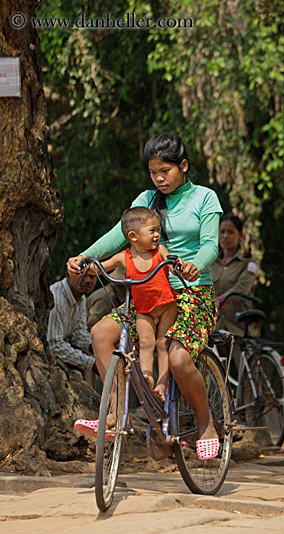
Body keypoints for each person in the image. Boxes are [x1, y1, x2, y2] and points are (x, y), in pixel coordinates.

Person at [67, 132, 223, 460]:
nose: (159, 178)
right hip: (148, 292)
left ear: (183, 166)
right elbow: (118, 236)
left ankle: (206, 423)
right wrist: (83, 257)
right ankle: (115, 414)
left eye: (165, 171)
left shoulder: (205, 198)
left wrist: (194, 266)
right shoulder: (147, 199)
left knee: (179, 359)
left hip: (191, 293)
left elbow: (211, 245)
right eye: (153, 172)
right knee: (101, 334)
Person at [86, 206, 179, 401]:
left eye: (157, 230)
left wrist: (176, 264)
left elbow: (171, 261)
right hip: (144, 311)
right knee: (146, 344)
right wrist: (85, 264)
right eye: (152, 230)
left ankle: (162, 383)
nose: (157, 235)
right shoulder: (124, 258)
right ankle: (147, 376)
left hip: (166, 307)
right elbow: (100, 268)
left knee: (162, 344)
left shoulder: (159, 251)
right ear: (133, 236)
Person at [211, 213, 258, 368]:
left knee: (246, 374)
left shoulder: (248, 264)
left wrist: (220, 300)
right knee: (215, 374)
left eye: (230, 232)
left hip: (238, 329)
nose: (225, 236)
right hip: (215, 328)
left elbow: (241, 288)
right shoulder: (211, 264)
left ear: (240, 235)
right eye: (222, 231)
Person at [47, 271, 97, 385]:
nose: (88, 281)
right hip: (50, 355)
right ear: (69, 275)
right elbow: (54, 345)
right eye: (83, 276)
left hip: (64, 347)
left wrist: (92, 346)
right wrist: (91, 364)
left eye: (92, 276)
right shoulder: (56, 298)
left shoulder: (81, 298)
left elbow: (78, 332)